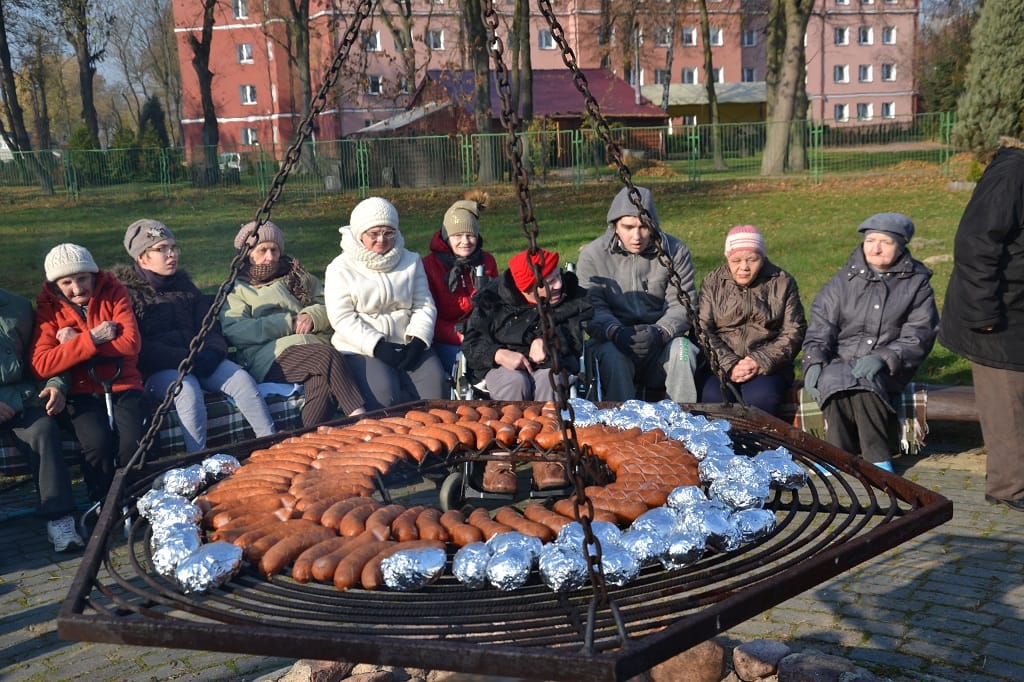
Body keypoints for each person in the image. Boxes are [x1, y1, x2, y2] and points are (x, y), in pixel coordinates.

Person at [116, 219, 276, 452]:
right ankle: (197, 459)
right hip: (159, 372)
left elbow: (209, 325)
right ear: (142, 257)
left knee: (241, 379)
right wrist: (183, 359)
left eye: (173, 247)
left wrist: (212, 352)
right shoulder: (128, 296)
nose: (171, 254)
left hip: (200, 361)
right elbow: (140, 347)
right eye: (162, 249)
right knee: (187, 389)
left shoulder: (186, 287)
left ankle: (271, 444)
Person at [801, 213, 938, 473]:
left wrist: (883, 357)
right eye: (870, 241)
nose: (875, 248)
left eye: (885, 242)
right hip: (842, 359)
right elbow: (821, 326)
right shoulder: (843, 280)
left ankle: (877, 458)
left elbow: (920, 333)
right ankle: (836, 454)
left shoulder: (917, 284)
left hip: (891, 365)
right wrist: (814, 362)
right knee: (834, 380)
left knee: (864, 383)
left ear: (901, 246)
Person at [461, 247, 593, 492]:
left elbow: (575, 341)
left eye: (557, 276)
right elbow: (471, 343)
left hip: (554, 366)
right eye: (548, 282)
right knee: (515, 382)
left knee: (550, 380)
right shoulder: (492, 301)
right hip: (503, 369)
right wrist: (498, 354)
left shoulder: (571, 297)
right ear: (526, 289)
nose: (557, 285)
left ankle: (549, 455)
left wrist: (549, 340)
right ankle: (501, 457)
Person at [939, 137, 1024, 511]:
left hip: (1015, 307)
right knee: (1007, 405)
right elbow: (975, 244)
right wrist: (983, 314)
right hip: (998, 313)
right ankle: (1010, 488)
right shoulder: (1013, 172)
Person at [30, 243, 148, 508]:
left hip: (123, 383)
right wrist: (93, 338)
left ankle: (137, 499)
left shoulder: (114, 293)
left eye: (82, 278)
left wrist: (73, 345)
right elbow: (42, 363)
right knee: (97, 443)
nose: (77, 288)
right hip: (81, 391)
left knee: (132, 442)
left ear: (93, 275)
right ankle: (102, 504)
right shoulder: (49, 308)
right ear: (56, 285)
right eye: (67, 282)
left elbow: (130, 344)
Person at [219, 220, 365, 428]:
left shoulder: (298, 277)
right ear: (248, 254)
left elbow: (332, 305)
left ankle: (306, 439)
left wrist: (313, 316)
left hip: (311, 346)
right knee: (326, 357)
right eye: (262, 250)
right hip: (269, 358)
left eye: (274, 250)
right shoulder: (238, 289)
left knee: (321, 384)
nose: (270, 257)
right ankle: (361, 420)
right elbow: (236, 330)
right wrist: (287, 322)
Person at [576, 185, 700, 403]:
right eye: (628, 227)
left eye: (644, 227)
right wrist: (615, 332)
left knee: (684, 349)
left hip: (661, 343)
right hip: (613, 343)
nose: (637, 236)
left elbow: (683, 303)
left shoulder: (675, 251)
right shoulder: (593, 255)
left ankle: (683, 415)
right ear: (614, 225)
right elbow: (591, 308)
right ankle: (620, 420)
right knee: (611, 356)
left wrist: (661, 332)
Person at [325, 197, 446, 410]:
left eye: (389, 233)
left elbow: (424, 305)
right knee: (384, 396)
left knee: (435, 389)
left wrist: (418, 340)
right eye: (374, 233)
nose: (381, 239)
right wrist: (376, 345)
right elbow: (342, 317)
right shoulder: (340, 268)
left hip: (407, 342)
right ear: (359, 233)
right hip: (363, 348)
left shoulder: (411, 261)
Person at [1, 288, 82, 552]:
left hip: (26, 400)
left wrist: (56, 385)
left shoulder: (19, 307)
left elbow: (46, 355)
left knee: (44, 431)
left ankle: (59, 519)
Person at [698, 225, 807, 417]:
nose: (744, 267)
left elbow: (794, 330)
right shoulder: (712, 282)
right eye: (736, 260)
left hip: (769, 365)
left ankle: (757, 438)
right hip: (721, 363)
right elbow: (702, 329)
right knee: (713, 397)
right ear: (727, 257)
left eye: (752, 260)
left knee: (762, 398)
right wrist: (730, 364)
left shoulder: (782, 282)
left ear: (762, 258)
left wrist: (758, 360)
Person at [421, 189, 499, 372]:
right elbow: (428, 316)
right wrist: (460, 335)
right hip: (446, 339)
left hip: (482, 334)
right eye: (457, 236)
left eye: (470, 235)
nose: (465, 241)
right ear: (446, 237)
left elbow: (496, 304)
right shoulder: (429, 266)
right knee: (469, 365)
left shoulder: (486, 261)